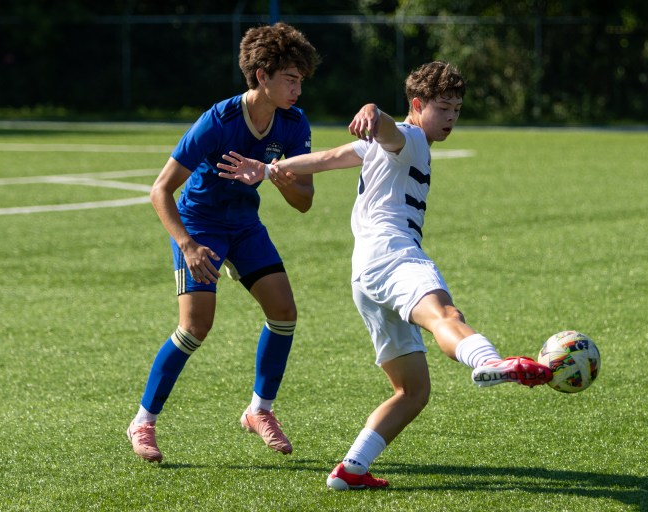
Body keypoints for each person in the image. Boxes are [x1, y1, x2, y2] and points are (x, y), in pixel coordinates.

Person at [217, 61, 553, 489]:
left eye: (457, 109)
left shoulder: (387, 143)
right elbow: (391, 130)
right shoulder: (410, 138)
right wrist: (375, 112)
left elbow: (330, 157)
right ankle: (489, 361)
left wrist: (267, 170)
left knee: (412, 391)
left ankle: (351, 469)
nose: (451, 118)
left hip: (364, 274)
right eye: (443, 108)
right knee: (446, 315)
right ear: (418, 104)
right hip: (395, 256)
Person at [126, 22, 321, 463]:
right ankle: (143, 421)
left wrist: (274, 175)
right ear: (262, 76)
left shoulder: (293, 123)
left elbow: (304, 201)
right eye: (290, 79)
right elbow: (160, 190)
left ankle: (259, 411)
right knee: (196, 327)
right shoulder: (218, 121)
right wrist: (188, 245)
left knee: (284, 312)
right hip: (201, 226)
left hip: (245, 225)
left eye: (301, 80)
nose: (298, 90)